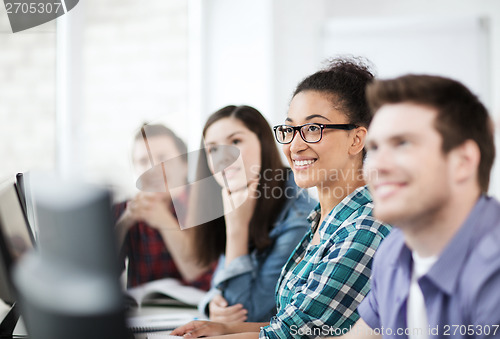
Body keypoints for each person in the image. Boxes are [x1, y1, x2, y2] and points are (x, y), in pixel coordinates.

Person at [171, 57, 392, 339]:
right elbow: (294, 325)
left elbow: (292, 337)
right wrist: (224, 327)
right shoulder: (323, 221)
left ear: (356, 140)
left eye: (313, 128)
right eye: (290, 130)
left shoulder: (365, 226)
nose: (295, 145)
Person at [337, 74, 500, 338]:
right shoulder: (394, 251)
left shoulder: (493, 271)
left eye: (402, 143)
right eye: (375, 148)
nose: (377, 166)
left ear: (463, 161)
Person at [188, 105, 315, 322]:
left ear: (263, 144)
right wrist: (210, 304)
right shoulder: (238, 198)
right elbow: (220, 286)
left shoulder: (298, 215)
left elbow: (247, 313)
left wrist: (237, 229)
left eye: (236, 142)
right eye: (213, 149)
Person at [113, 123, 213, 289]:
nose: (152, 168)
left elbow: (202, 275)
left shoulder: (206, 204)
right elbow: (98, 275)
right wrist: (124, 224)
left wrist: (164, 221)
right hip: (145, 312)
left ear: (184, 164)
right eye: (143, 161)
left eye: (163, 158)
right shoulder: (124, 211)